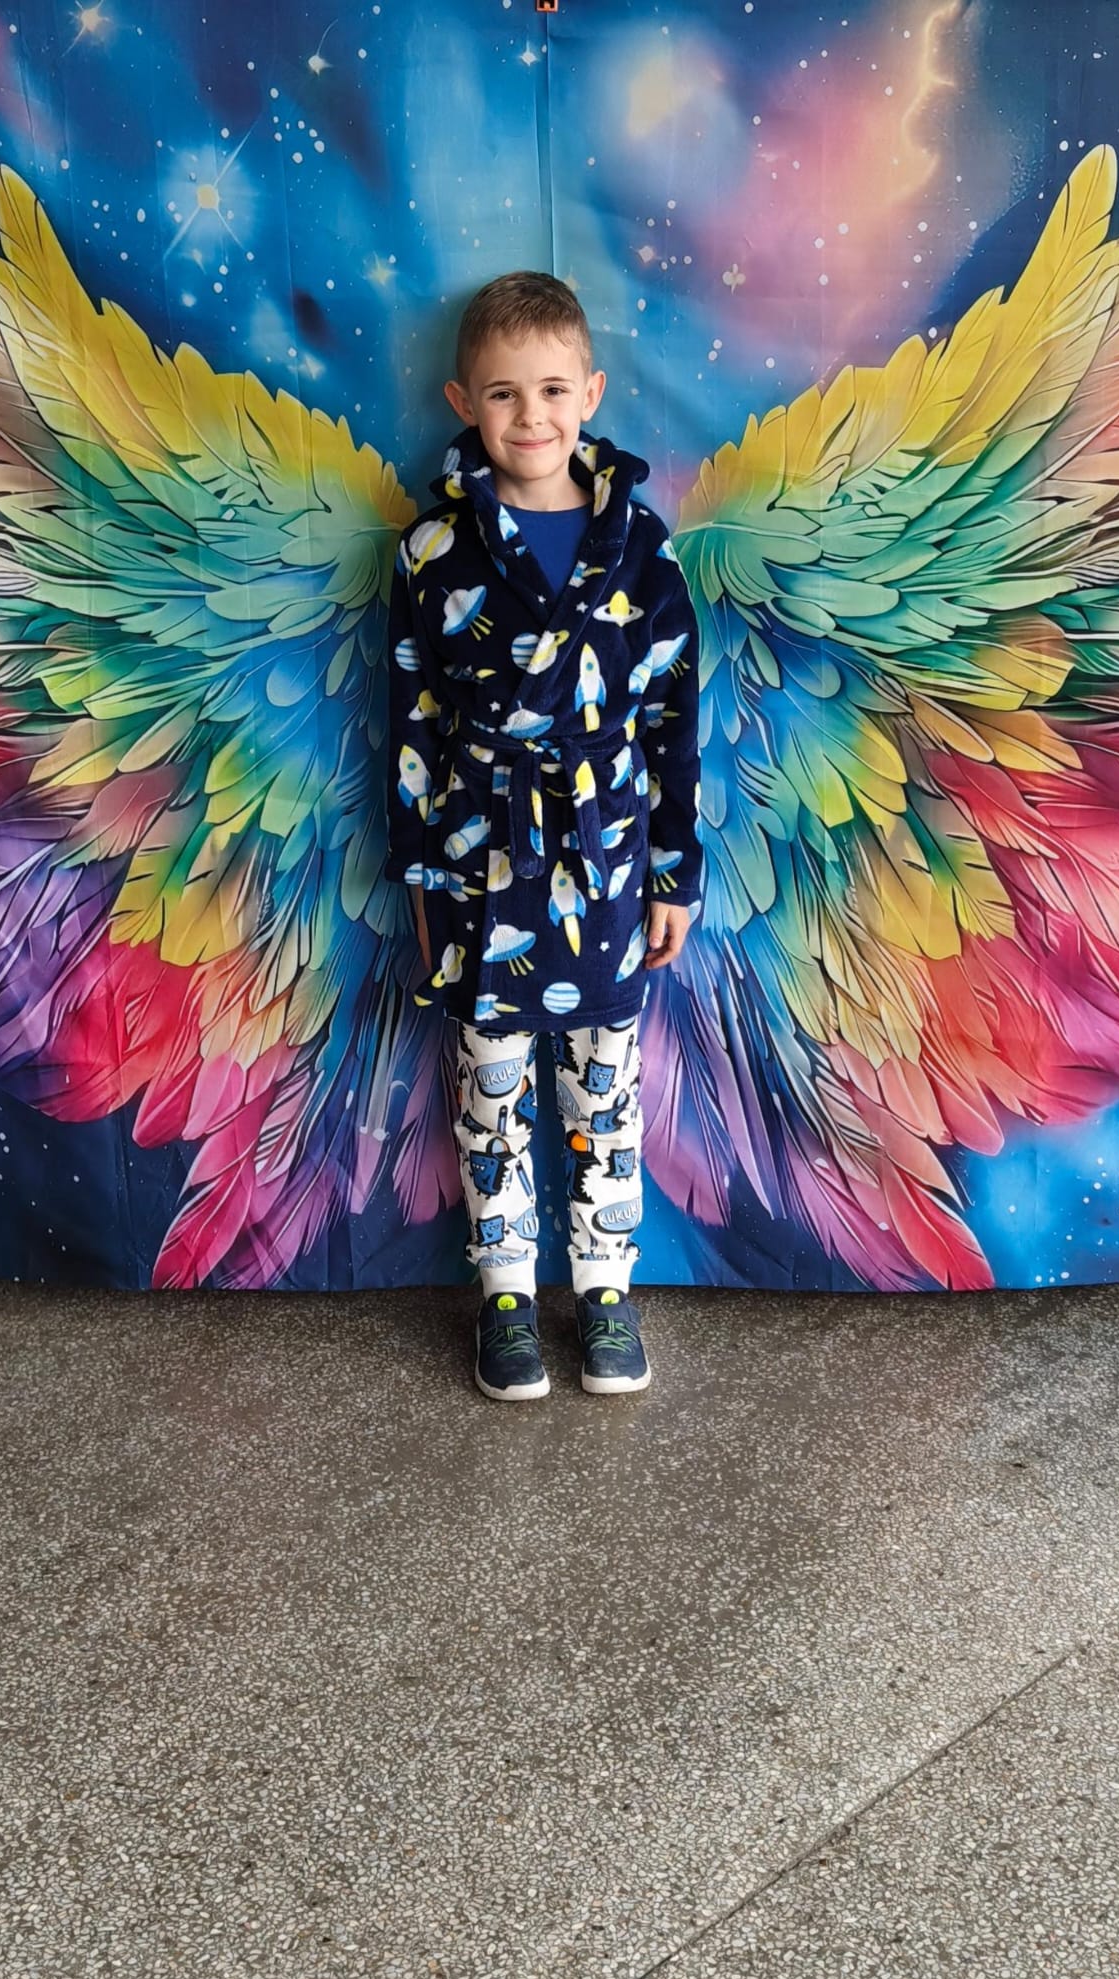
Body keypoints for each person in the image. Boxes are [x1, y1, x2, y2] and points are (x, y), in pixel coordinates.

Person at [384, 271, 702, 1402]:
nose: (532, 416)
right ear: (462, 401)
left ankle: (605, 1287)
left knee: (603, 1082)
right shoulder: (431, 552)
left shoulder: (642, 547)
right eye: (504, 393)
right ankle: (507, 1292)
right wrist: (421, 876)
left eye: (554, 389)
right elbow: (411, 722)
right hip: (478, 857)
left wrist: (672, 872)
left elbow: (672, 721)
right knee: (492, 1083)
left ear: (591, 394)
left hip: (604, 854)